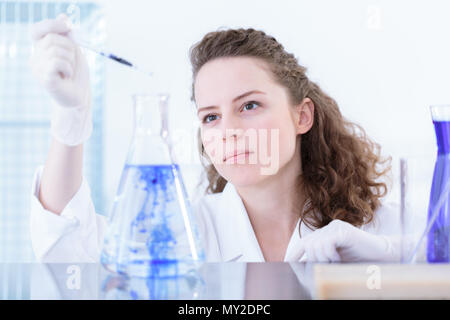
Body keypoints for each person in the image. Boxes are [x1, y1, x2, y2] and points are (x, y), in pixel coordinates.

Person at [29, 15, 411, 263]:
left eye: (249, 106)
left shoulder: (379, 232)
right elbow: (69, 251)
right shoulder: (183, 232)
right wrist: (70, 120)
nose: (228, 130)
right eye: (211, 116)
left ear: (302, 115)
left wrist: (399, 263)